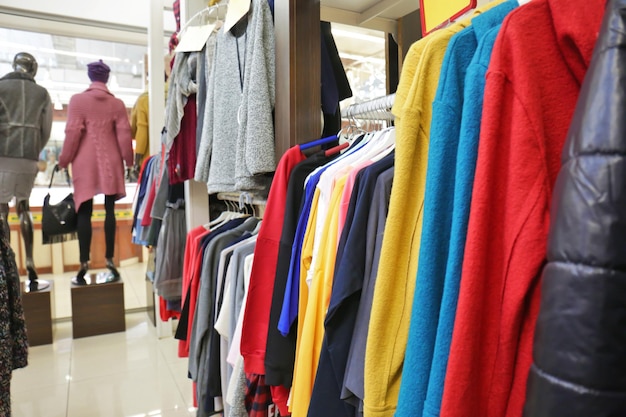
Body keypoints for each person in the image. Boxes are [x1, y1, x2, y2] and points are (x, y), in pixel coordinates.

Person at [58, 60, 134, 285]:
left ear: (90, 76)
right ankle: (110, 260)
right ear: (107, 78)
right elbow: (124, 135)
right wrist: (129, 161)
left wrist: (63, 161)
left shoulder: (77, 101)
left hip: (85, 163)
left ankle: (83, 264)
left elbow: (72, 134)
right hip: (110, 162)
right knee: (110, 210)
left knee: (84, 211)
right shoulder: (117, 104)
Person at [0, 52, 53, 291]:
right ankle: (30, 261)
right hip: (28, 159)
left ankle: (7, 268)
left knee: (2, 211)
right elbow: (46, 131)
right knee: (24, 207)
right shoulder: (41, 94)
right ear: (33, 70)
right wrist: (33, 151)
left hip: (2, 157)